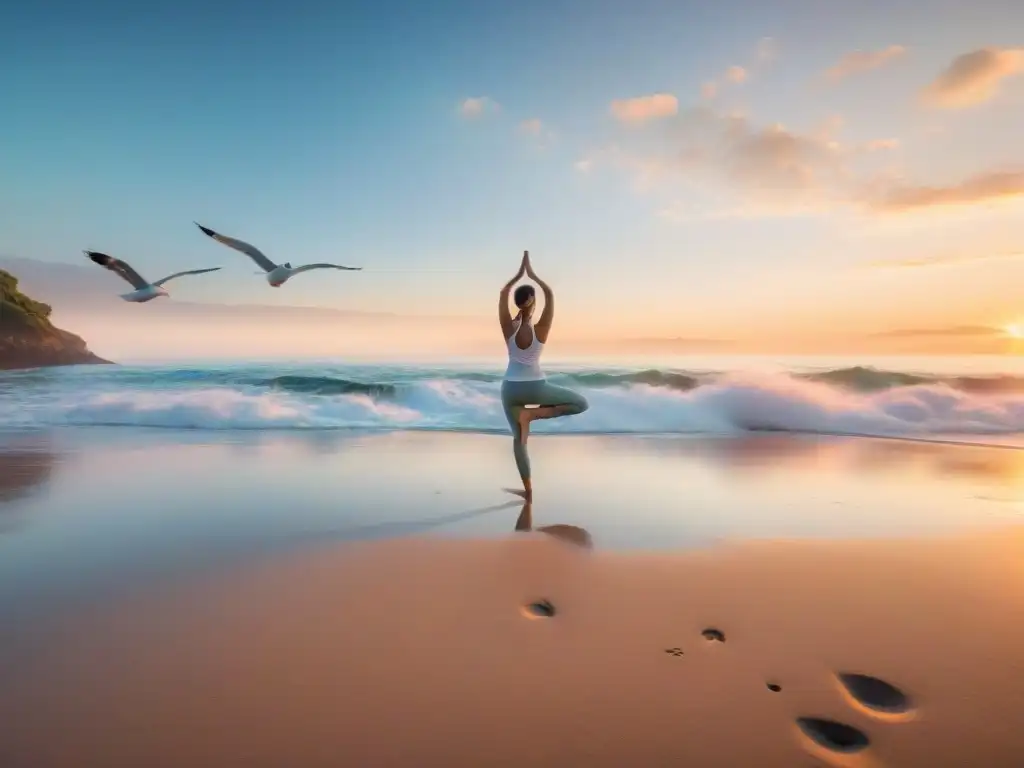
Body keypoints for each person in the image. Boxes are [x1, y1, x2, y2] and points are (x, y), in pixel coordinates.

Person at [498, 251, 588, 500]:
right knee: (581, 404)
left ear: (517, 302)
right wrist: (533, 274)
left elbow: (504, 293)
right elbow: (549, 294)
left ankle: (528, 491)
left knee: (519, 440)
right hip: (536, 387)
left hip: (510, 390)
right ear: (533, 301)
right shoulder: (541, 329)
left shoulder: (508, 328)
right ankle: (533, 414)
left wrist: (518, 275)